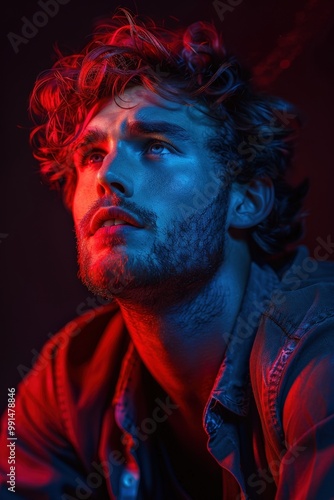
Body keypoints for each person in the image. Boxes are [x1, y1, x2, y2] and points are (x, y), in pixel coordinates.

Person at [1, 8, 334, 500]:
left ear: (245, 199)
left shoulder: (318, 354)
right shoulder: (64, 381)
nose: (108, 176)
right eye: (92, 155)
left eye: (154, 145)